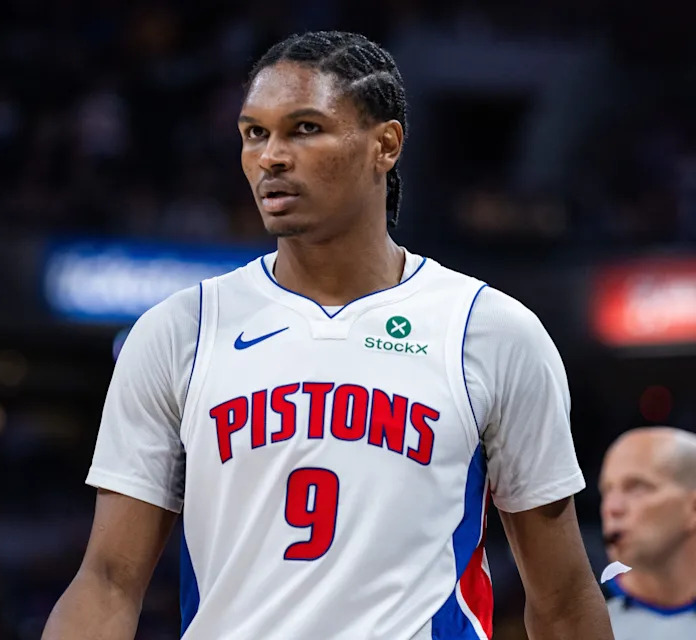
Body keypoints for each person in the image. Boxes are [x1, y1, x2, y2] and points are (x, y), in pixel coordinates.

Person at [42, 30, 612, 639]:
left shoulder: (491, 332)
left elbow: (561, 598)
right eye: (254, 133)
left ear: (385, 145)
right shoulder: (179, 330)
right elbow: (107, 581)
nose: (271, 156)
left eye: (304, 128)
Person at [598, 427, 696, 639]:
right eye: (607, 490)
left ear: (693, 507)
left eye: (637, 487)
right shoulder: (577, 621)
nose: (612, 507)